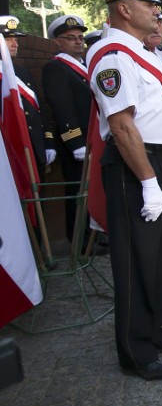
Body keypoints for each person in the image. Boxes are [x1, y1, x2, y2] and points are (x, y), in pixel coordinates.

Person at [87, 0, 162, 380]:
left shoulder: (143, 54)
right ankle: (136, 351)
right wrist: (149, 181)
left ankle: (154, 329)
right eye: (147, 3)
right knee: (137, 260)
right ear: (123, 9)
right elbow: (122, 126)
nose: (157, 11)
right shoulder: (112, 54)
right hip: (137, 167)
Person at [42, 15, 91, 242]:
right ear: (58, 42)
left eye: (80, 37)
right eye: (71, 38)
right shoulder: (56, 68)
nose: (78, 41)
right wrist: (75, 142)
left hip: (92, 139)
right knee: (77, 193)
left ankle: (92, 235)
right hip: (77, 145)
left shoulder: (84, 66)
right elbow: (62, 108)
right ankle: (79, 241)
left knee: (91, 191)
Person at [0, 16, 55, 180]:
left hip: (33, 150)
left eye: (15, 39)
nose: (15, 44)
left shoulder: (22, 72)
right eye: (8, 39)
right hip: (8, 153)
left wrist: (48, 143)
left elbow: (39, 110)